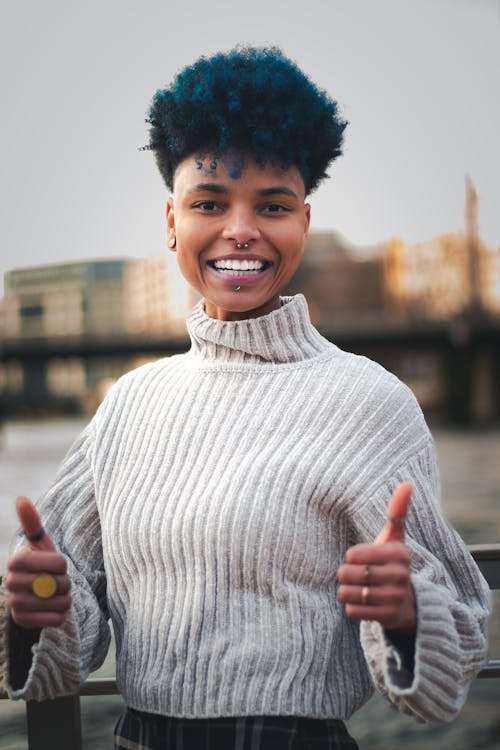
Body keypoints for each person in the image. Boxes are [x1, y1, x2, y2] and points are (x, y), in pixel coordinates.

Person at [0, 45, 491, 749]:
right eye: (208, 203)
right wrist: (38, 604)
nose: (240, 229)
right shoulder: (128, 405)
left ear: (303, 224)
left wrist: (409, 612)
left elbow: (454, 663)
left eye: (272, 205)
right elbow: (63, 651)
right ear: (171, 222)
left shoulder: (370, 403)